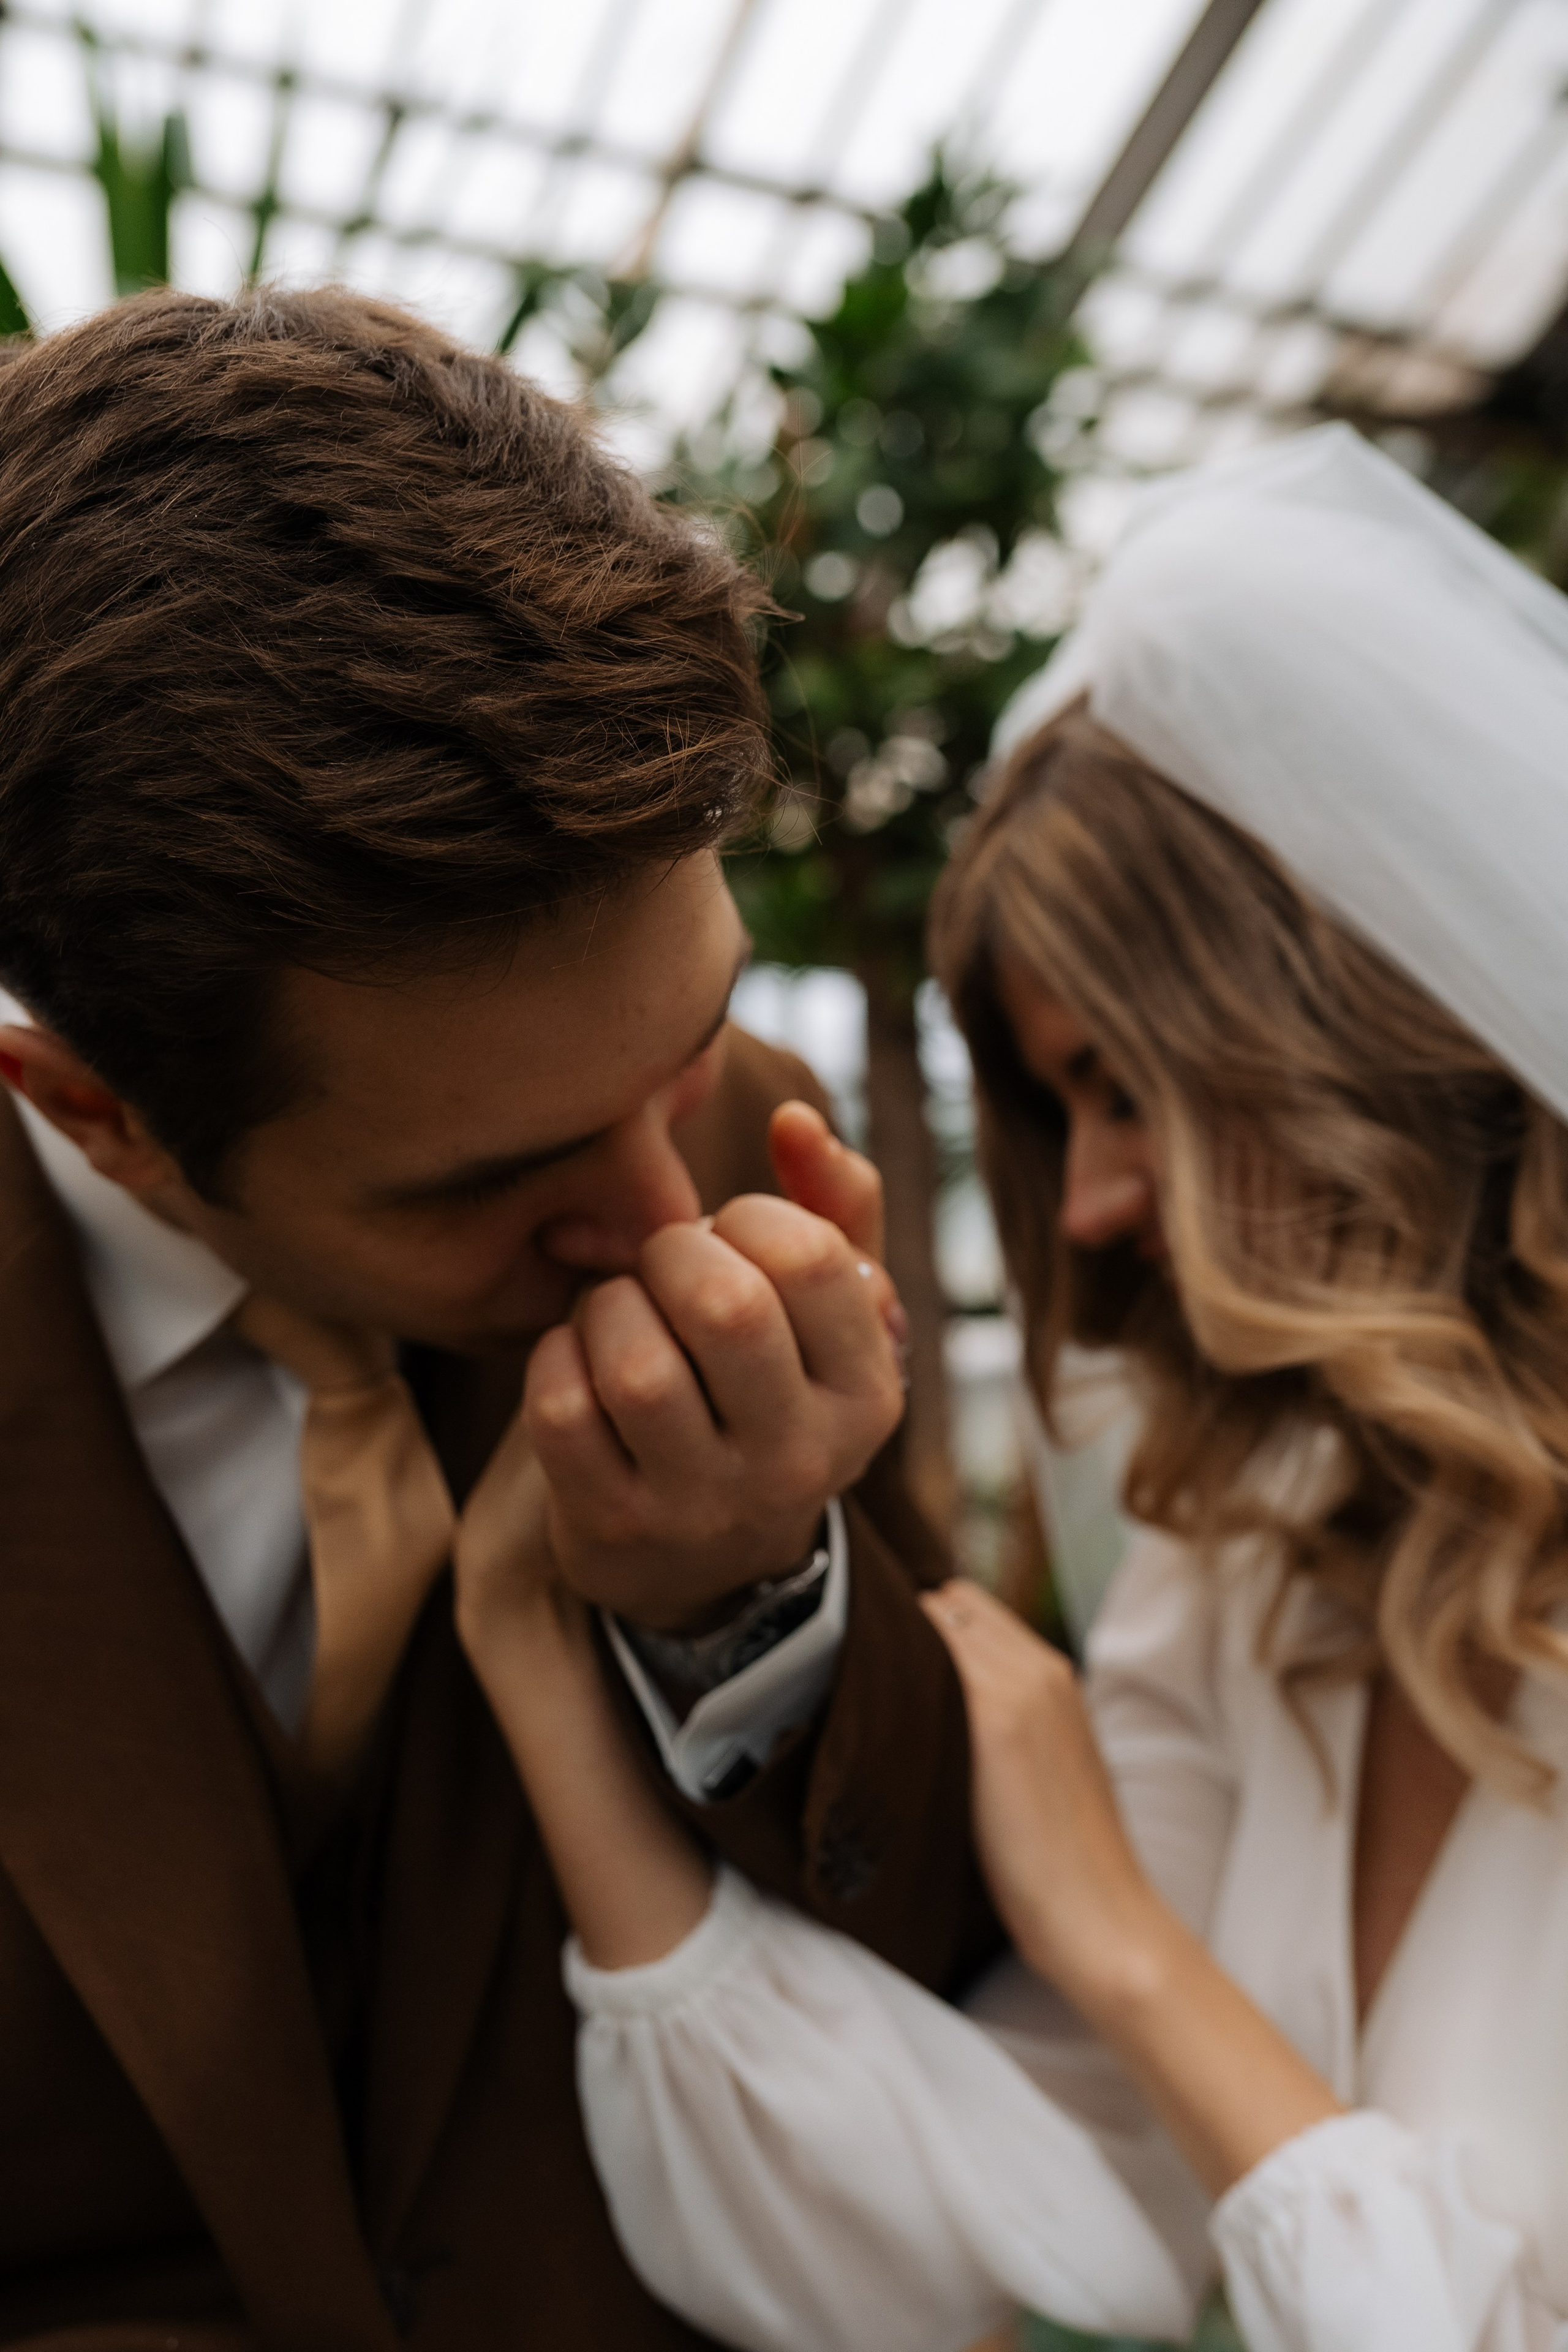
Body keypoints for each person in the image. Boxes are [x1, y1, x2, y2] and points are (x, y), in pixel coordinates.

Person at [464, 426, 1568, 2352]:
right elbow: (940, 2245)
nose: (1107, 1205)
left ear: (1376, 1030)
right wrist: (553, 1657)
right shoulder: (1253, 1589)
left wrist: (1134, 1955)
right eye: (1061, 1115)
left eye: (1127, 1084)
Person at [0, 286, 997, 2349]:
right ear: (100, 1113)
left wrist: (751, 1608)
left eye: (695, 1037)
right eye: (484, 1182)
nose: (662, 1219)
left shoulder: (755, 1145)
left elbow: (966, 1953)